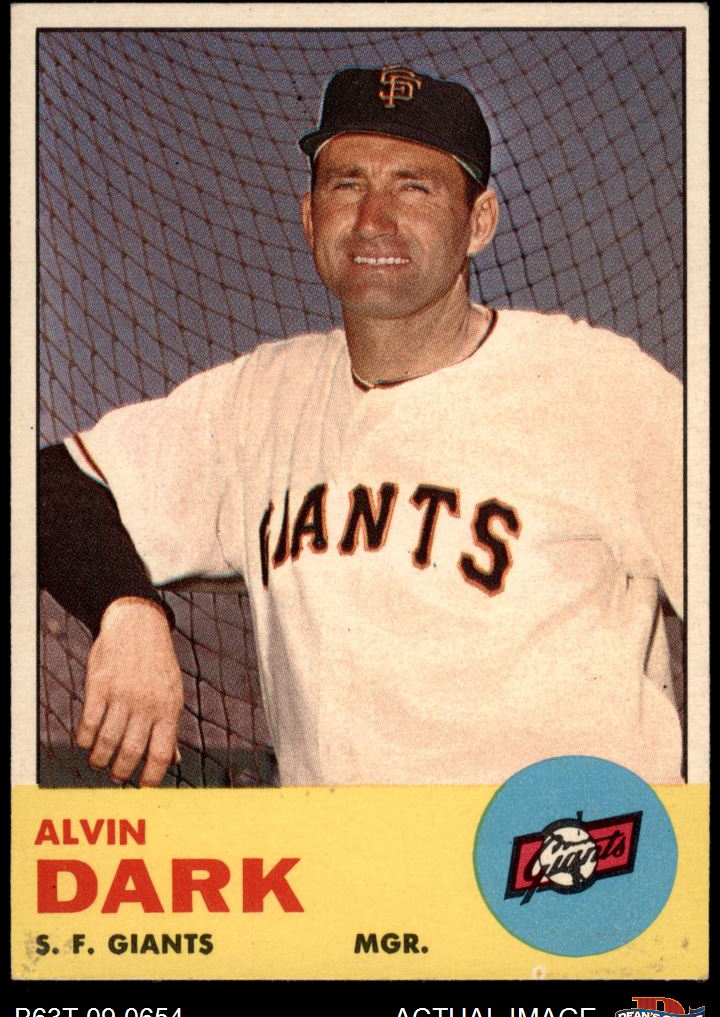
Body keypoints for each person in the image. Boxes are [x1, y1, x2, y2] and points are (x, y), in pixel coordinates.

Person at [39, 66, 684, 788]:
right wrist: (128, 610)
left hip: (556, 847)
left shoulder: (600, 387)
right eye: (347, 184)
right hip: (343, 850)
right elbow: (53, 484)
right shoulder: (261, 399)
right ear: (310, 217)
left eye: (415, 187)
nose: (374, 218)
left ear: (479, 222)